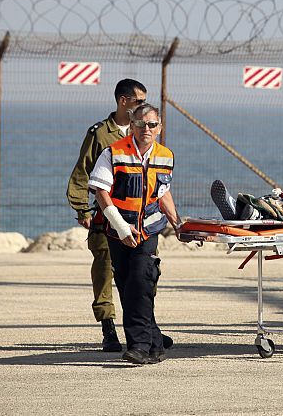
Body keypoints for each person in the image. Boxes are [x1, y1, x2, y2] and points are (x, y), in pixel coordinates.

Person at [89, 103, 180, 365]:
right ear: (132, 125)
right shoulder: (113, 153)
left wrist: (178, 224)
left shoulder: (165, 156)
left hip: (147, 231)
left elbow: (162, 194)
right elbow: (101, 191)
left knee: (142, 279)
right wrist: (119, 225)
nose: (146, 129)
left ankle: (139, 346)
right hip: (118, 232)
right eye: (141, 124)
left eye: (152, 124)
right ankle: (154, 342)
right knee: (128, 286)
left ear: (159, 127)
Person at [67, 78, 149, 351]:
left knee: (140, 272)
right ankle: (108, 329)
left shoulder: (143, 131)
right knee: (104, 270)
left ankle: (144, 328)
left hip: (137, 215)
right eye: (139, 101)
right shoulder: (100, 134)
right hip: (106, 215)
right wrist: (81, 208)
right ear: (123, 101)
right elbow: (82, 171)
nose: (143, 107)